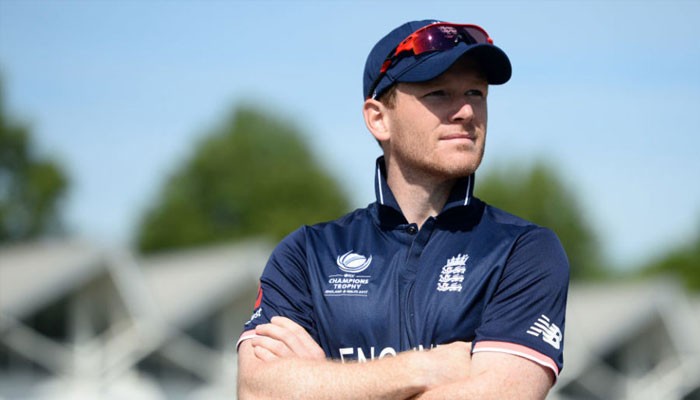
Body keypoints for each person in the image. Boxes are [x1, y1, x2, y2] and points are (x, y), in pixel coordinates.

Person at [236, 19, 570, 399]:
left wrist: (321, 382)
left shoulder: (523, 250)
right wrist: (424, 368)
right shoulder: (307, 254)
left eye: (475, 93)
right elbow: (257, 391)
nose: (465, 111)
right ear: (378, 118)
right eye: (439, 93)